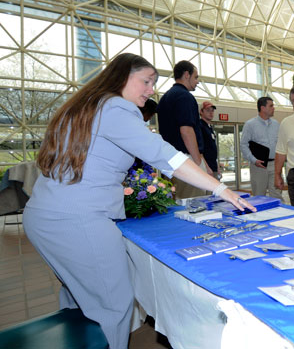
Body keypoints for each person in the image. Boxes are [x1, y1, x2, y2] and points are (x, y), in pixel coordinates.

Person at [22, 53, 255, 349]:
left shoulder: (84, 107)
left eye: (153, 83)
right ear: (121, 77)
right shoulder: (117, 108)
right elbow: (164, 155)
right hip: (78, 219)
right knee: (114, 304)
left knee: (77, 295)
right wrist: (222, 190)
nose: (150, 90)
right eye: (145, 81)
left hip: (43, 216)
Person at [157, 60, 207, 198]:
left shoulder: (166, 97)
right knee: (194, 202)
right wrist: (197, 162)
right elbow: (186, 130)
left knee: (175, 202)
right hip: (186, 158)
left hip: (169, 159)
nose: (197, 82)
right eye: (196, 77)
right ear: (186, 75)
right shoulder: (185, 97)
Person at [240, 96, 283, 199]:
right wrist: (254, 160)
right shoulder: (250, 125)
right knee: (259, 197)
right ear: (263, 108)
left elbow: (281, 144)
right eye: (271, 106)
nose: (274, 108)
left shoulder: (276, 124)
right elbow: (243, 144)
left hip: (275, 165)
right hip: (258, 166)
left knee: (277, 195)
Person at [199, 101, 220, 179]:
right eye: (208, 110)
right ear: (201, 112)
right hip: (206, 168)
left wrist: (217, 167)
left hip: (212, 166)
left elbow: (212, 149)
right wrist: (206, 167)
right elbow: (199, 150)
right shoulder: (200, 126)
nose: (211, 113)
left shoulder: (209, 127)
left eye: (212, 110)